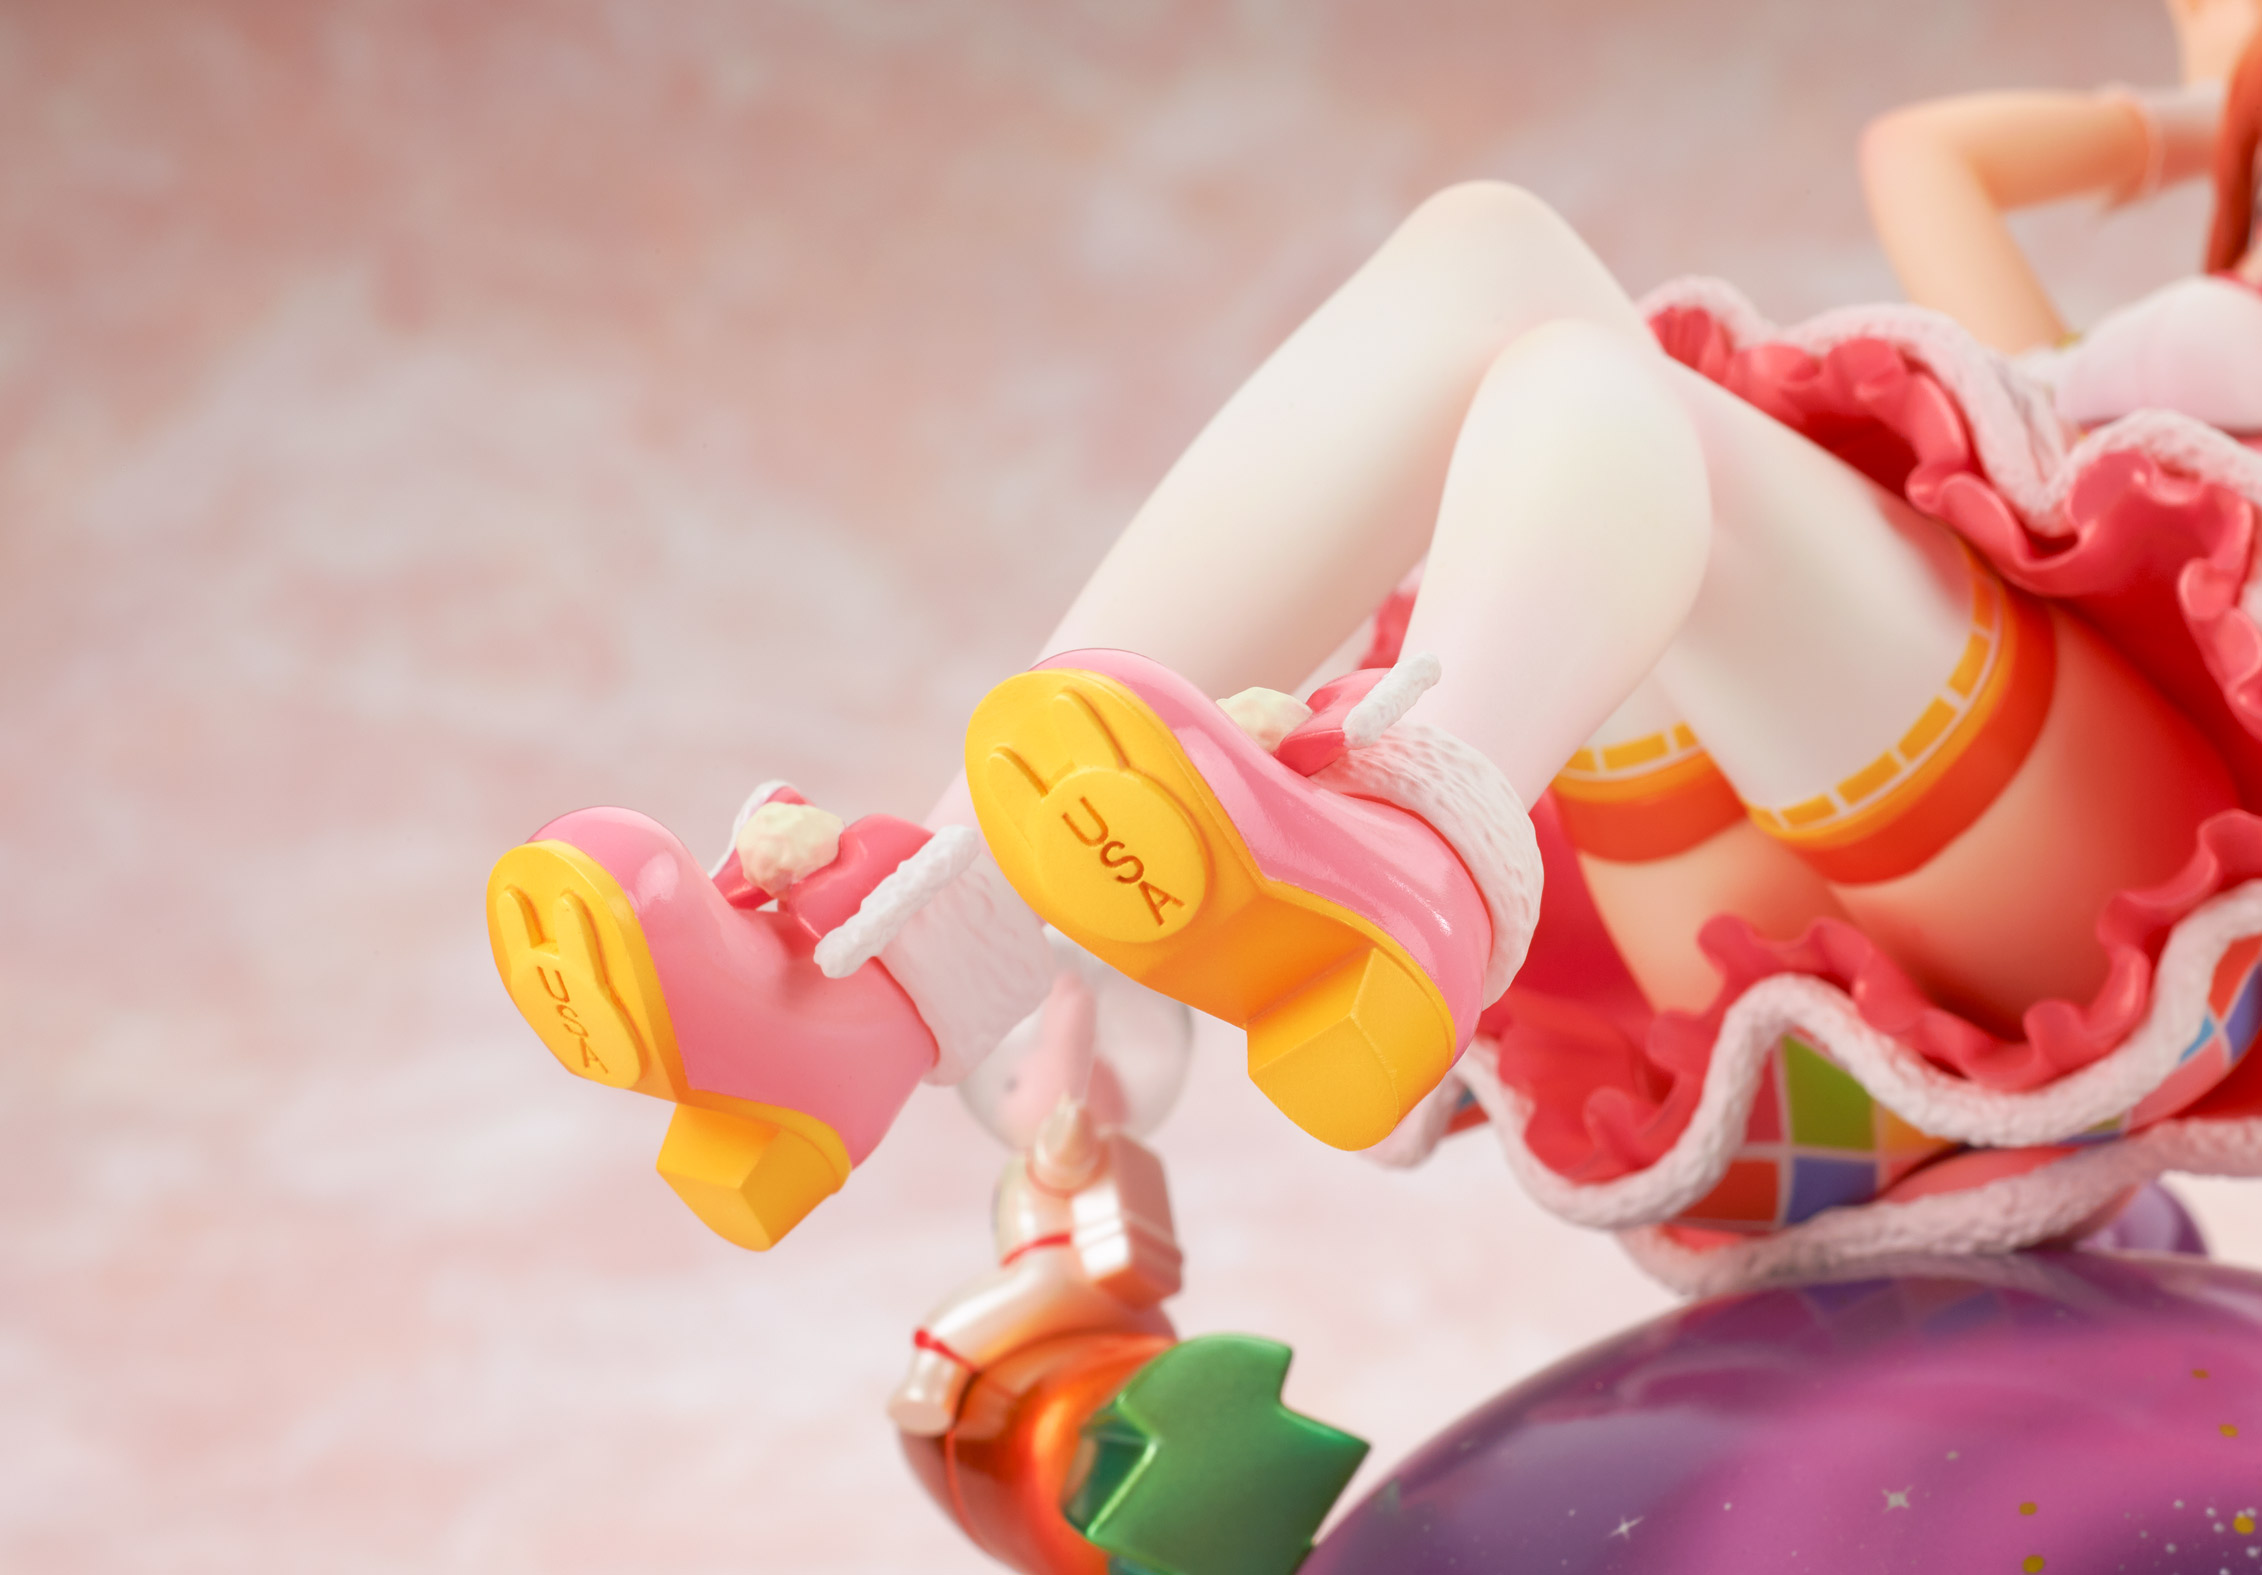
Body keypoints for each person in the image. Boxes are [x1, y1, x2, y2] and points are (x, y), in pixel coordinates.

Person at [489, 2, 2262, 1288]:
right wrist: (2207, 110)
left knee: (1634, 407)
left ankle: (1417, 851)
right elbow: (1922, 160)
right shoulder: (2151, 347)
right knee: (1508, 276)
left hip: (2121, 902)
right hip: (1809, 819)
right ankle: (889, 989)